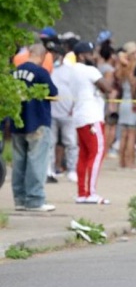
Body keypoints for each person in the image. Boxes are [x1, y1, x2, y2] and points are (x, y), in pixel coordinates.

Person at [11, 44, 58, 212]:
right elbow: (53, 92)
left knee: (19, 162)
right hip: (37, 121)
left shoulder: (14, 72)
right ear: (43, 56)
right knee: (36, 161)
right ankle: (35, 199)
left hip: (18, 122)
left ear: (29, 53)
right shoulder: (40, 72)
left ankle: (20, 199)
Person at [71, 41, 114, 204]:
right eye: (90, 54)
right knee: (96, 153)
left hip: (80, 116)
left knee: (83, 155)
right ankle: (91, 193)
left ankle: (82, 192)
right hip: (92, 116)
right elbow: (107, 88)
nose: (93, 57)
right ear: (82, 56)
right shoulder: (89, 70)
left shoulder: (73, 70)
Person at [49, 39, 79, 182]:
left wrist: (74, 108)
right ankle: (50, 169)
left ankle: (72, 170)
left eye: (55, 54)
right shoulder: (49, 70)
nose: (53, 56)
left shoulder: (70, 71)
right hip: (51, 113)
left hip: (68, 113)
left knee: (71, 142)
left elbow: (76, 91)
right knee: (50, 143)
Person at [116, 41, 136, 169]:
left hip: (123, 102)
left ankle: (122, 161)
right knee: (132, 133)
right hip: (131, 102)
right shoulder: (134, 68)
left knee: (124, 133)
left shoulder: (123, 68)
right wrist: (134, 101)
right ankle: (130, 161)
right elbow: (133, 85)